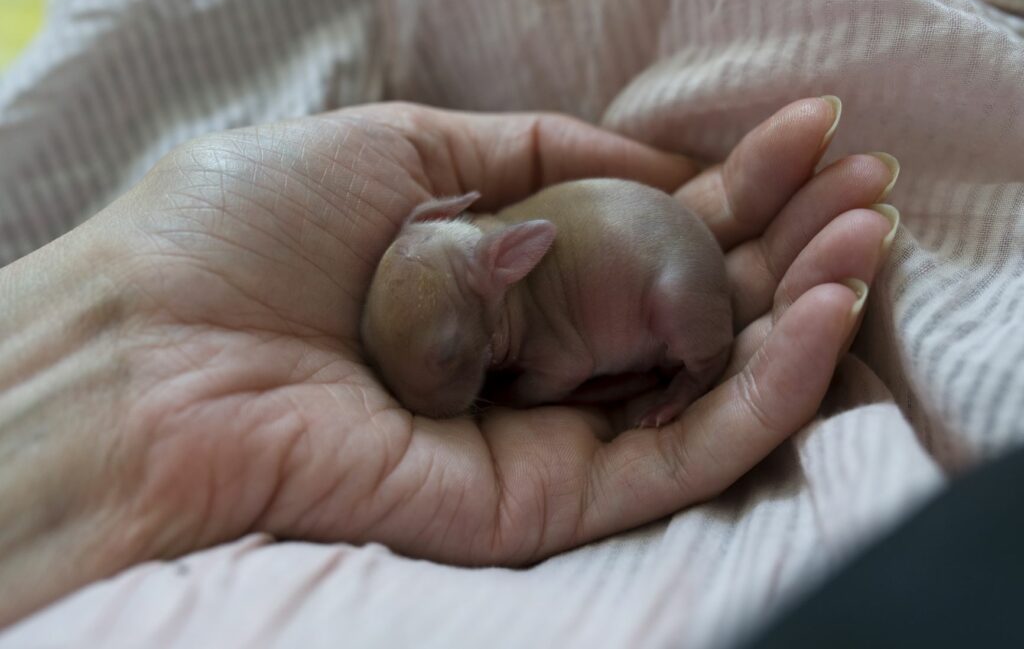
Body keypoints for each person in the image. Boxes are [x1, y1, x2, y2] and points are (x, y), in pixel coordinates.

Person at [0, 97, 898, 626]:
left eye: (451, 356)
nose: (426, 393)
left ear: (506, 270)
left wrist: (627, 376)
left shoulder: (530, 306)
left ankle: (691, 368)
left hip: (666, 285)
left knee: (678, 310)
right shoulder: (461, 259)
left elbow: (555, 361)